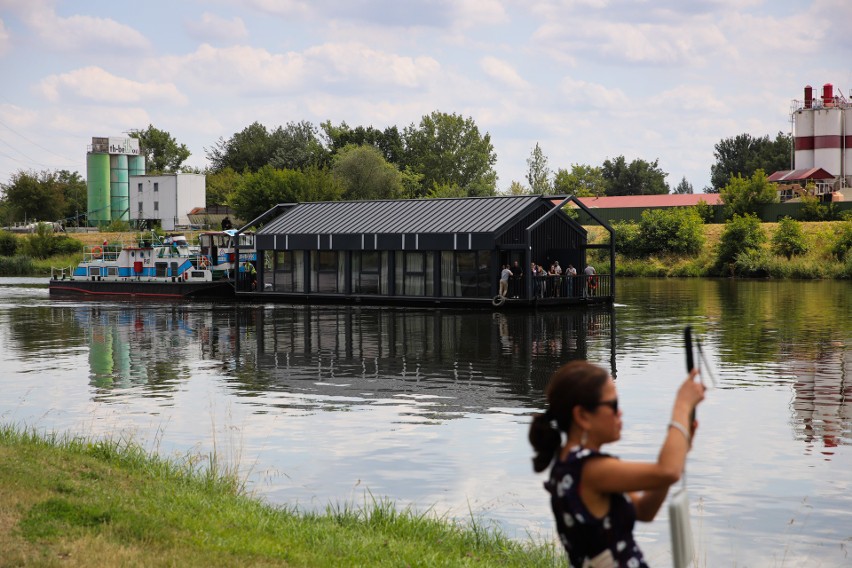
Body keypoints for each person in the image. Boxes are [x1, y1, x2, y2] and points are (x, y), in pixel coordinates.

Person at [528, 361, 704, 567]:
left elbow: (644, 510)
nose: (620, 412)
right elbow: (668, 471)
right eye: (613, 405)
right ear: (582, 416)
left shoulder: (571, 465)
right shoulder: (588, 469)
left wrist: (679, 451)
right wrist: (682, 405)